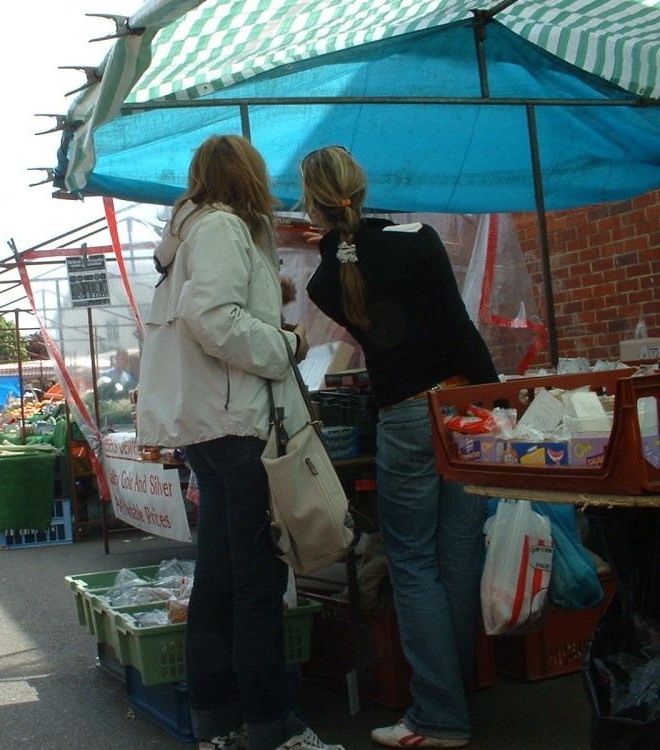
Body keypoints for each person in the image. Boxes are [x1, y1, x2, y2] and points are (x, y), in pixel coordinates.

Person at [136, 134, 339, 750]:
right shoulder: (223, 227)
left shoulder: (189, 235)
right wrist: (288, 345)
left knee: (220, 581)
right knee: (254, 585)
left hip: (207, 426)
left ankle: (216, 724)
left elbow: (205, 313)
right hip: (236, 423)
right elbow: (214, 318)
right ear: (244, 175)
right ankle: (273, 731)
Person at [300, 145, 500, 749]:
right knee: (459, 556)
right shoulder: (418, 240)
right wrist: (495, 399)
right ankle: (452, 701)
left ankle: (440, 717)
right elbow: (458, 328)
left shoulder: (324, 280)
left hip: (404, 418)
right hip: (461, 408)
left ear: (314, 203)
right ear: (363, 187)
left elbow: (365, 293)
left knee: (413, 565)